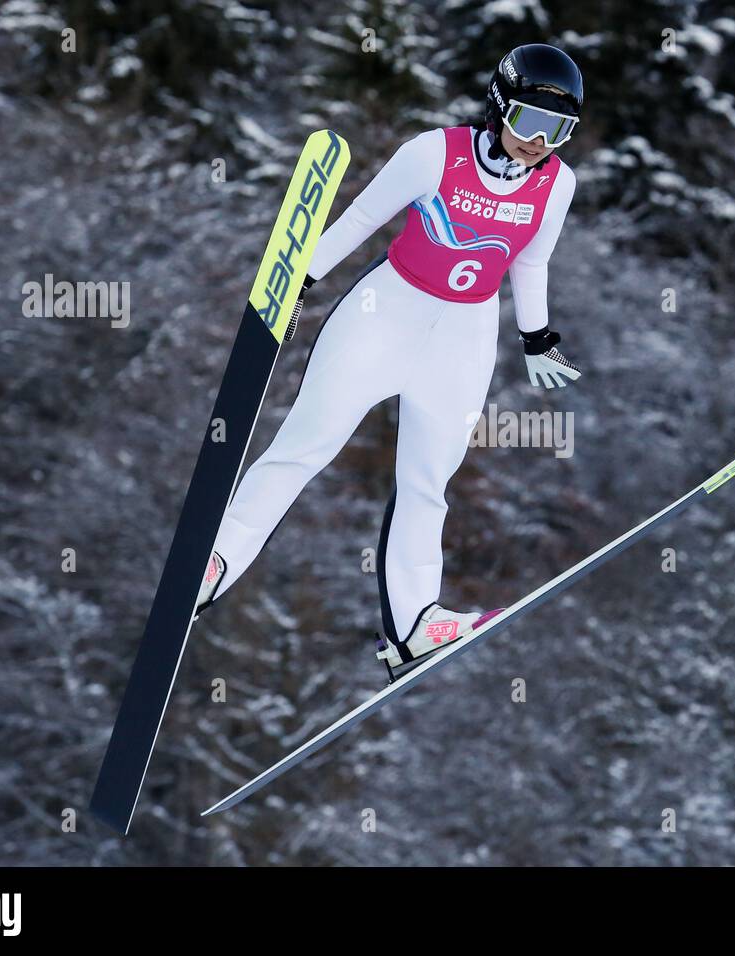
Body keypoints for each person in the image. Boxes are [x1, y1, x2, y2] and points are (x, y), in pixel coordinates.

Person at [196, 43, 584, 673]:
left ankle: (414, 623)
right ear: (499, 107)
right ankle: (214, 562)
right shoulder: (435, 153)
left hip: (466, 332)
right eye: (529, 123)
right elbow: (360, 220)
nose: (539, 142)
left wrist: (536, 337)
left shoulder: (557, 183)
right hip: (387, 312)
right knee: (305, 445)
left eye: (557, 130)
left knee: (429, 483)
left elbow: (532, 260)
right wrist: (296, 284)